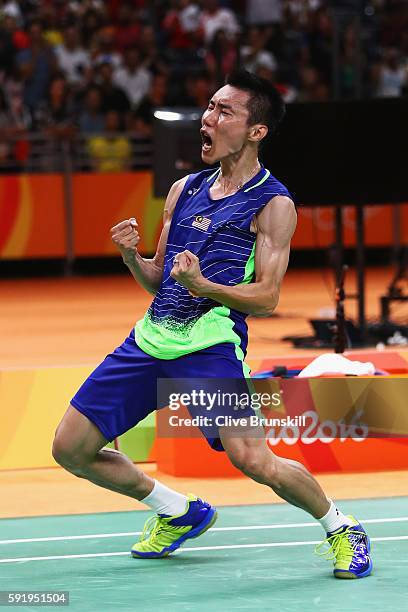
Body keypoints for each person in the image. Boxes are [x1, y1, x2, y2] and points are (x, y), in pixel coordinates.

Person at [52, 69, 372, 578]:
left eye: (225, 111)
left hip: (211, 347)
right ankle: (177, 511)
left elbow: (266, 297)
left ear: (256, 130)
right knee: (71, 448)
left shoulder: (273, 204)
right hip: (151, 340)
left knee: (253, 459)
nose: (208, 117)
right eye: (209, 107)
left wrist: (207, 289)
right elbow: (161, 279)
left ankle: (342, 527)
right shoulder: (184, 189)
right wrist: (133, 257)